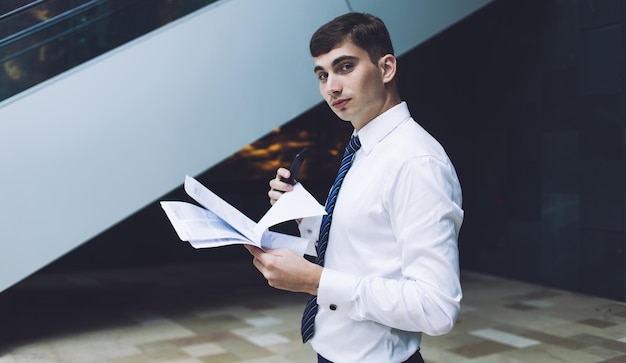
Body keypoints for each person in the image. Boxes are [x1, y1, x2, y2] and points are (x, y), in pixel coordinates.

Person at [245, 12, 463, 363]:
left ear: (386, 68)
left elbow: (435, 307)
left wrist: (316, 282)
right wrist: (300, 212)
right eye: (322, 74)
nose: (330, 86)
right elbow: (357, 248)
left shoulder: (416, 162)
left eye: (344, 67)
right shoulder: (362, 147)